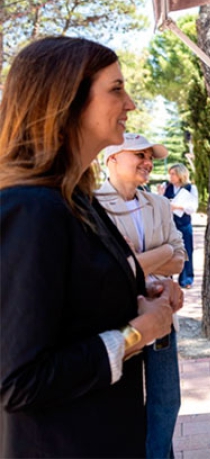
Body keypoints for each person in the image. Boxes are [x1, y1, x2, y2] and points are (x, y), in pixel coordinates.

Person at [0, 37, 174, 457]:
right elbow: (19, 381)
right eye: (116, 89)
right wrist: (135, 334)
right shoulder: (31, 208)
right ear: (67, 101)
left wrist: (142, 295)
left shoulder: (74, 199)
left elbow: (72, 309)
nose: (130, 104)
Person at [96, 133, 186, 459]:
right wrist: (160, 254)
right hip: (122, 321)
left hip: (162, 315)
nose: (148, 162)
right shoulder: (92, 206)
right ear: (112, 159)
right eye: (139, 155)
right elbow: (108, 269)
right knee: (124, 402)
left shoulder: (159, 204)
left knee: (166, 400)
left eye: (150, 156)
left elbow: (180, 258)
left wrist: (135, 260)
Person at [159, 163, 198, 289]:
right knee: (167, 252)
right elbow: (159, 204)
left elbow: (193, 207)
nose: (171, 176)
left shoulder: (190, 188)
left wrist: (178, 207)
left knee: (186, 251)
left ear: (180, 174)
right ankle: (167, 278)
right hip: (169, 224)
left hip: (184, 224)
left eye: (173, 173)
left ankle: (186, 279)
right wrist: (160, 194)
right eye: (170, 173)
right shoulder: (166, 186)